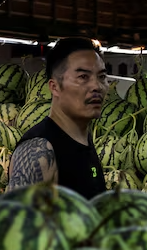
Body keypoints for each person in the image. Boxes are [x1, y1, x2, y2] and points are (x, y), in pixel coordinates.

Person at [7, 38, 109, 199]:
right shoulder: (38, 149)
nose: (97, 86)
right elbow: (16, 214)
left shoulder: (84, 139)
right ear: (54, 87)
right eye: (83, 77)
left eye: (102, 77)